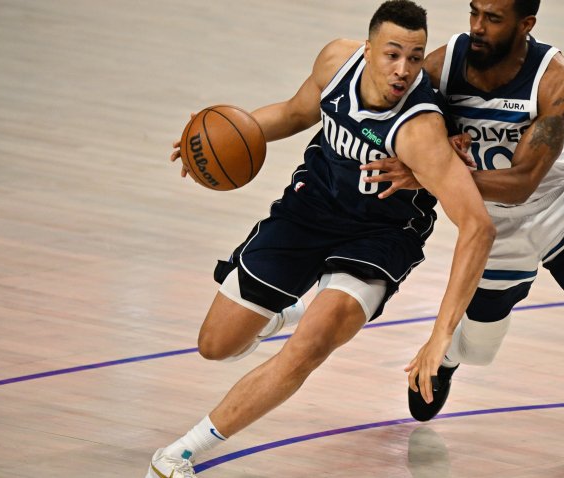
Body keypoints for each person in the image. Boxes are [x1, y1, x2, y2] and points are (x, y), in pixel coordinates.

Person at [146, 1, 495, 477]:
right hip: (310, 210)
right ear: (367, 48)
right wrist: (209, 142)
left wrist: (440, 335)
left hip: (379, 235)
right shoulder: (336, 61)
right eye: (392, 54)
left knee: (309, 347)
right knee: (215, 345)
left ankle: (180, 453)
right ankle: (283, 311)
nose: (404, 70)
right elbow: (292, 114)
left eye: (415, 58)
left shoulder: (420, 129)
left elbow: (478, 227)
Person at [361, 1, 564, 477]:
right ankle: (447, 358)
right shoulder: (443, 65)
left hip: (563, 211)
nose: (477, 27)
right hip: (494, 228)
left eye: (493, 19)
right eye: (474, 12)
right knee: (479, 350)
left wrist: (431, 174)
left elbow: (522, 182)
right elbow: (388, 115)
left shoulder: (558, 79)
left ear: (527, 25)